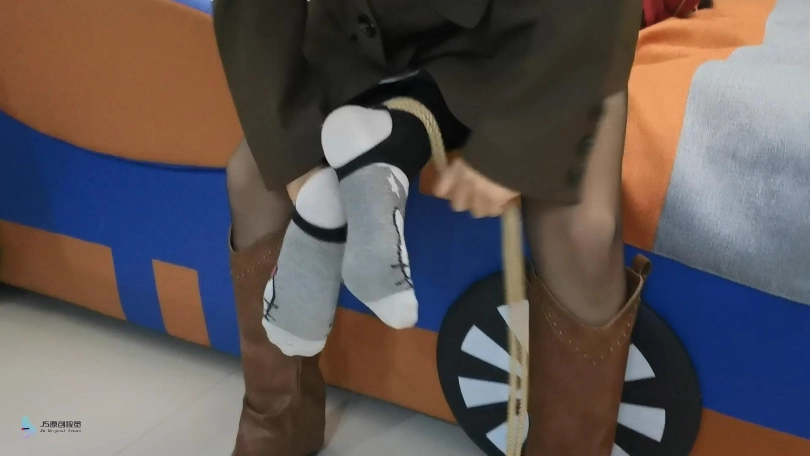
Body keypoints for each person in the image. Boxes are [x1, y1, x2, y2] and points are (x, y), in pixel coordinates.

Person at [214, 0, 649, 455]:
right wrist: (295, 161)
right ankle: (275, 423)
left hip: (538, 41)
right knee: (252, 180)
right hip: (363, 36)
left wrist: (518, 147)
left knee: (583, 231)